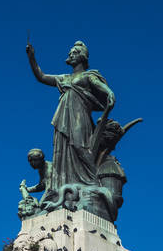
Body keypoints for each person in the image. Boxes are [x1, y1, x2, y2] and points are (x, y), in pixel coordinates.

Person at [25, 40, 114, 196]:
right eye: (70, 53)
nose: (70, 55)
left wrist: (109, 92)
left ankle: (92, 181)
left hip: (80, 117)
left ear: (82, 57)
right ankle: (63, 185)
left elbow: (100, 86)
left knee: (80, 147)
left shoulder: (88, 76)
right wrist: (32, 58)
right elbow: (42, 76)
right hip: (63, 118)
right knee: (62, 149)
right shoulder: (64, 78)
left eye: (73, 53)